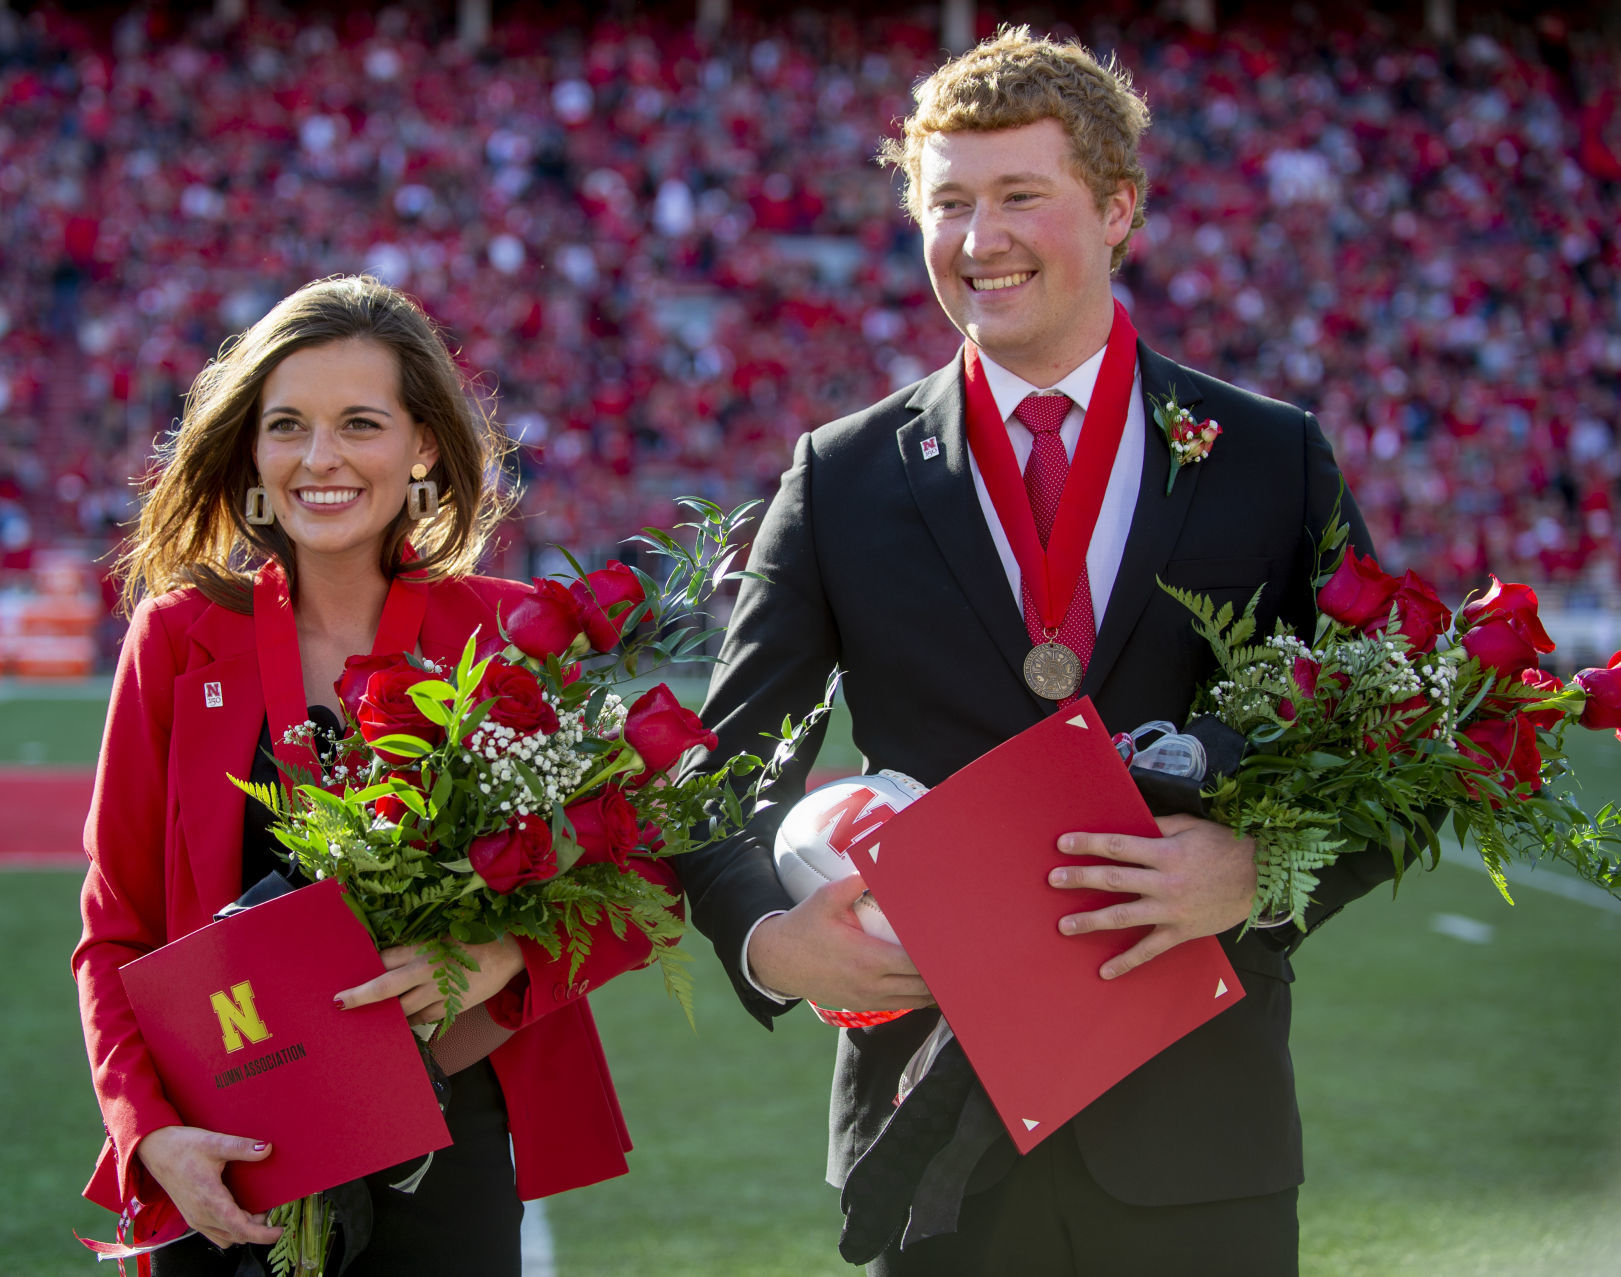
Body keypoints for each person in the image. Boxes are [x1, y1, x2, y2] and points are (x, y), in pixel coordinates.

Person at [676, 28, 1396, 1277]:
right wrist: (768, 942)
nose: (978, 237)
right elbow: (709, 765)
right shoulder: (839, 475)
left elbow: (1392, 735)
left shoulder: (1272, 455)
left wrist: (1260, 872)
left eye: (1020, 195)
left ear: (1119, 208)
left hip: (1195, 1127)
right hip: (928, 1124)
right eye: (947, 202)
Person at [74, 275, 673, 1275]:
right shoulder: (177, 638)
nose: (321, 459)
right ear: (251, 448)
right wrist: (149, 1135)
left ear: (422, 444)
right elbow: (116, 930)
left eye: (360, 423)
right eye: (288, 426)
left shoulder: (504, 631)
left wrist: (500, 957)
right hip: (225, 1150)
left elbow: (640, 871)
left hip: (449, 1139)